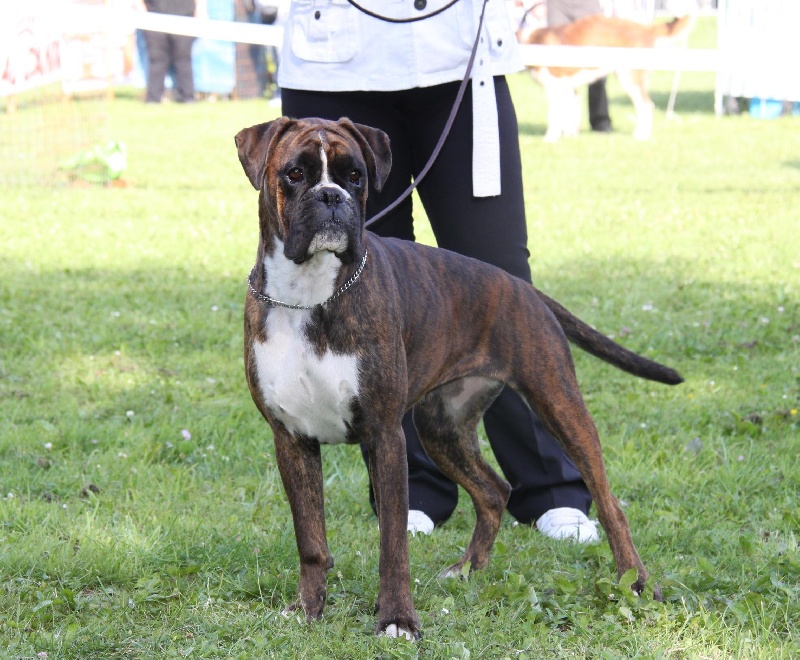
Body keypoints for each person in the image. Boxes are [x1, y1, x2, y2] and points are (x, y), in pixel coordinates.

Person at [278, 0, 598, 542]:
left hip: (460, 57)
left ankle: (551, 488)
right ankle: (415, 487)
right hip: (334, 57)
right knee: (364, 289)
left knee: (501, 276)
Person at [546, 0, 612, 132]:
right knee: (560, 64)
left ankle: (600, 120)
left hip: (588, 4)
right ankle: (567, 123)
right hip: (558, 5)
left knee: (597, 61)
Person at [139, 0, 205, 103]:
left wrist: (200, 11)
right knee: (157, 60)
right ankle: (153, 98)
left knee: (183, 59)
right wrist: (141, 11)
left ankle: (188, 97)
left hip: (185, 17)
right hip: (154, 18)